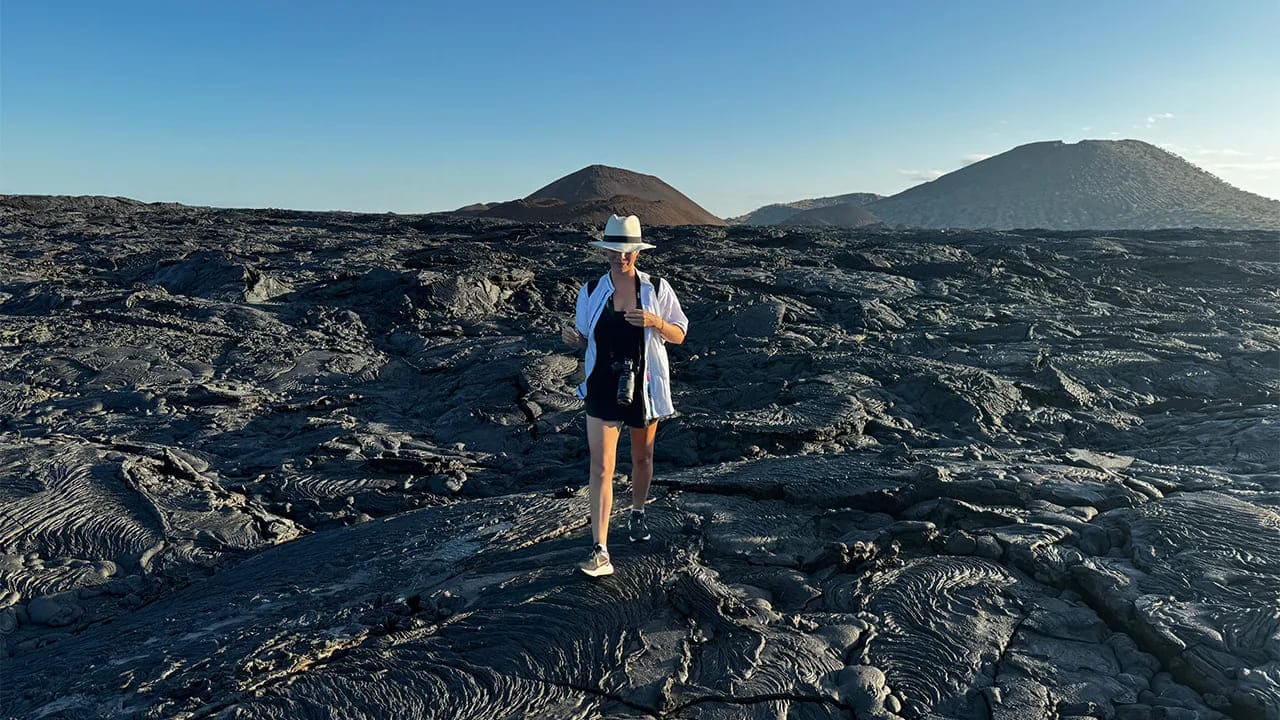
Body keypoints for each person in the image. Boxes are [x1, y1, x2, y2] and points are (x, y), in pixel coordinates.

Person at [561, 214, 688, 577]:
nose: (621, 258)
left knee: (642, 458)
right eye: (615, 251)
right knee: (601, 466)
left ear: (637, 251)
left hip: (643, 387)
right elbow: (586, 337)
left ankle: (637, 512)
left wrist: (654, 322)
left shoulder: (657, 289)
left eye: (627, 251)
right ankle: (600, 550)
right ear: (606, 253)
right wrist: (574, 341)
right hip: (602, 384)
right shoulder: (590, 290)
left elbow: (679, 333)